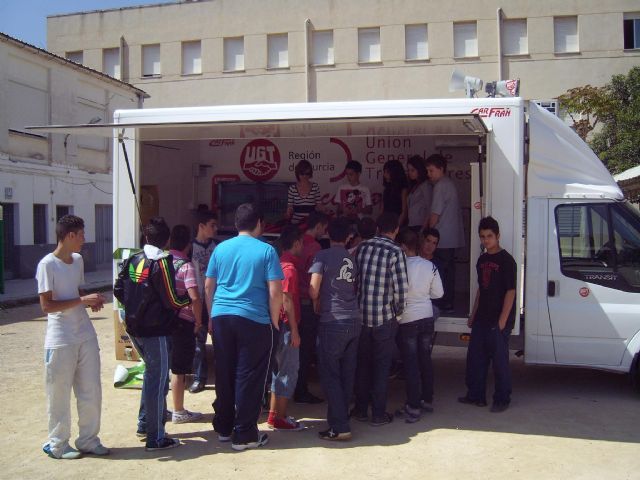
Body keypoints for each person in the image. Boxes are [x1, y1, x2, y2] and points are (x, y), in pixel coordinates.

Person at [205, 203, 283, 451]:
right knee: (249, 376)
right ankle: (245, 433)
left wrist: (211, 316)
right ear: (259, 222)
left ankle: (225, 428)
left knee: (224, 372)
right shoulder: (267, 251)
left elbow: (208, 286)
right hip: (254, 318)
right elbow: (275, 291)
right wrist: (273, 321)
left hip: (221, 316)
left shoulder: (220, 248)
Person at [114, 216, 190, 451]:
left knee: (150, 376)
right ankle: (156, 437)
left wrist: (135, 308)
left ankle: (145, 424)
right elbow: (171, 298)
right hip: (155, 330)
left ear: (146, 237)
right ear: (166, 240)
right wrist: (188, 300)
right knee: (158, 382)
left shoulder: (133, 258)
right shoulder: (161, 261)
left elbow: (118, 289)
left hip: (134, 327)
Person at [37, 215, 108, 460]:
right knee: (59, 394)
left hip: (85, 335)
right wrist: (81, 301)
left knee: (91, 389)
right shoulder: (47, 264)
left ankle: (88, 440)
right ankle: (57, 444)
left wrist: (90, 302)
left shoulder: (77, 261)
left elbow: (76, 293)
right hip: (60, 339)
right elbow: (46, 306)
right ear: (70, 236)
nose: (84, 240)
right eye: (81, 235)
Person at [352, 212, 408, 426]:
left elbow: (355, 280)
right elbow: (401, 289)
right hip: (384, 318)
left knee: (363, 364)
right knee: (382, 367)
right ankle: (377, 414)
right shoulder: (396, 251)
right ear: (395, 230)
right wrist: (398, 313)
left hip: (362, 315)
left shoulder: (363, 248)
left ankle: (360, 409)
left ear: (377, 228)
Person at [309, 217, 361, 441]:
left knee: (330, 375)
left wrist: (317, 301)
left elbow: (313, 289)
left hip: (332, 321)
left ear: (328, 234)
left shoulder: (322, 256)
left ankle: (340, 426)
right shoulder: (351, 258)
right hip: (353, 320)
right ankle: (339, 422)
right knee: (347, 375)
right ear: (348, 236)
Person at [459, 216, 516, 413]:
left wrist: (502, 321)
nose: (486, 240)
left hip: (498, 321)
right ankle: (475, 395)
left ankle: (502, 399)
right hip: (481, 318)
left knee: (500, 363)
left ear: (498, 236)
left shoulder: (507, 261)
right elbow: (480, 289)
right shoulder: (482, 259)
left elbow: (511, 292)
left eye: (489, 236)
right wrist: (472, 314)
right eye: (482, 237)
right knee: (475, 359)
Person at [394, 228, 443, 423]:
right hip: (427, 316)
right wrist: (423, 296)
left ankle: (413, 406)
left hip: (408, 319)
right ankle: (427, 399)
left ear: (404, 246)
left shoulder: (400, 266)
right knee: (425, 359)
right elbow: (439, 293)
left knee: (411, 363)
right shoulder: (429, 266)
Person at [267, 226, 304, 430]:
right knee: (288, 371)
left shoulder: (276, 265)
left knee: (277, 371)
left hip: (276, 325)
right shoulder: (289, 269)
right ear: (296, 243)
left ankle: (274, 415)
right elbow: (287, 300)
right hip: (287, 326)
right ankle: (281, 417)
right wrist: (295, 330)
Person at [168, 225, 203, 423]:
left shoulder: (161, 262)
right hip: (183, 321)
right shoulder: (186, 266)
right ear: (188, 245)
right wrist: (198, 321)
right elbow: (195, 298)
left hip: (163, 321)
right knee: (179, 369)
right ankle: (179, 410)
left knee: (167, 366)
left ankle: (162, 409)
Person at [294, 211, 328, 404]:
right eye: (324, 228)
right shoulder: (314, 247)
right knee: (305, 350)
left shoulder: (295, 242)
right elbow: (315, 282)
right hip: (307, 303)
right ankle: (301, 390)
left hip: (291, 300)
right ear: (318, 226)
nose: (325, 231)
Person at [426, 154, 464, 313]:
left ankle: (442, 303)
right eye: (427, 171)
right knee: (449, 272)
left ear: (441, 169)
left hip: (442, 238)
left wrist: (427, 232)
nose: (429, 174)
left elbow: (435, 214)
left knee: (441, 272)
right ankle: (448, 302)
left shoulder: (441, 186)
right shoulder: (449, 184)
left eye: (431, 170)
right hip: (450, 238)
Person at [189, 210, 218, 394]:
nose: (215, 229)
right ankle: (199, 378)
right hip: (197, 300)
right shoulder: (190, 248)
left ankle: (223, 377)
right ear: (201, 226)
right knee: (198, 343)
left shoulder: (218, 247)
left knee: (220, 342)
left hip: (216, 301)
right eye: (212, 225)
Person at [287, 159, 322, 226]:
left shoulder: (315, 186)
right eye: (302, 173)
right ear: (298, 173)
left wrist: (325, 210)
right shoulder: (292, 188)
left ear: (310, 174)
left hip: (311, 223)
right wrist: (288, 213)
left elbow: (319, 204)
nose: (304, 176)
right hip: (296, 224)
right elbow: (290, 206)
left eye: (307, 174)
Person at [406, 155, 433, 233]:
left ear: (419, 170)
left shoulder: (426, 185)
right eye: (408, 170)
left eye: (412, 170)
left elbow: (429, 208)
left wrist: (423, 228)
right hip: (411, 224)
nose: (409, 173)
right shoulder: (414, 185)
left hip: (420, 225)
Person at [382, 160, 408, 225]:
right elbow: (382, 209)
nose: (384, 175)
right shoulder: (386, 189)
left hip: (398, 224)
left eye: (387, 172)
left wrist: (397, 227)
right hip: (386, 224)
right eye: (384, 172)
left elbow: (404, 211)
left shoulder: (403, 189)